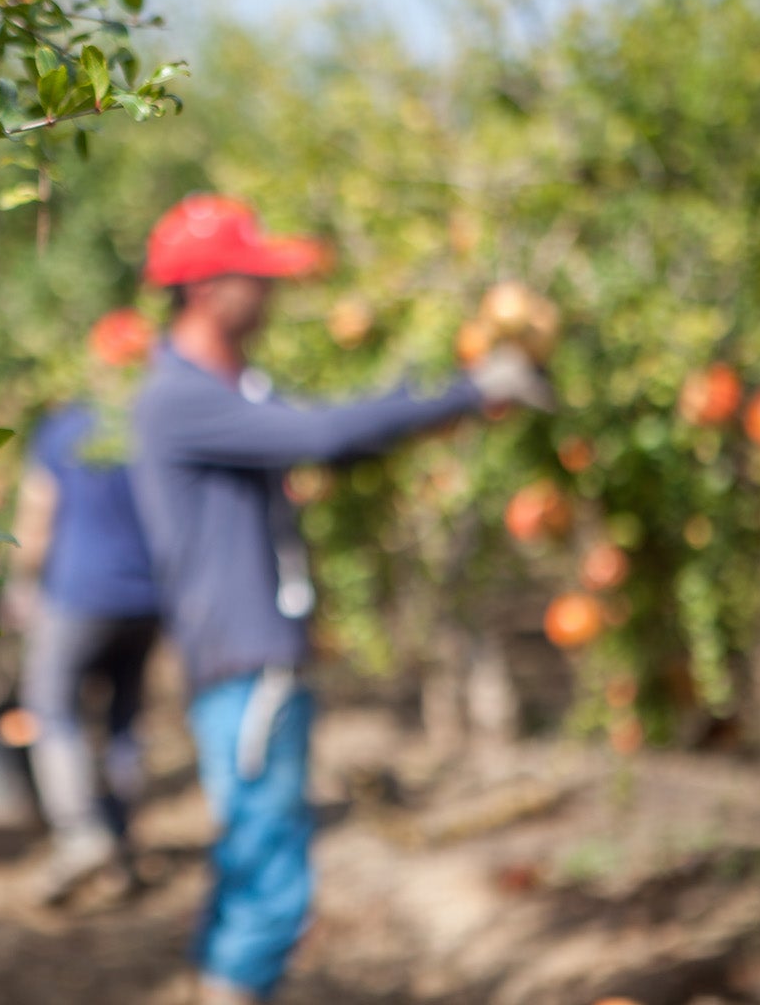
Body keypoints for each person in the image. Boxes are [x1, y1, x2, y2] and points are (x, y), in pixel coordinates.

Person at [127, 194, 552, 1005]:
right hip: (246, 660)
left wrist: (447, 403)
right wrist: (468, 390)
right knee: (271, 884)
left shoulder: (229, 390)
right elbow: (321, 435)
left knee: (252, 860)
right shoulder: (179, 397)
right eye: (256, 278)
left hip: (255, 656)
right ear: (208, 289)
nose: (271, 293)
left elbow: (329, 441)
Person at [0, 307, 164, 905]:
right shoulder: (157, 429)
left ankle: (81, 835)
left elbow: (37, 517)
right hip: (148, 599)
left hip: (77, 595)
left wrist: (20, 584)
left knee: (52, 707)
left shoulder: (66, 427)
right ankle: (120, 845)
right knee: (124, 719)